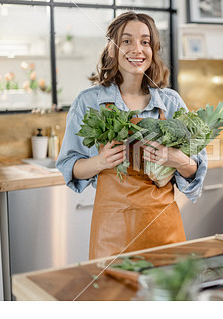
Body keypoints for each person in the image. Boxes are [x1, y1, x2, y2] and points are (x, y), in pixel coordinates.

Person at [57, 11, 207, 260]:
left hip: (164, 232)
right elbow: (68, 167)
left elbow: (194, 171)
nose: (137, 49)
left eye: (145, 41)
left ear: (153, 49)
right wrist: (100, 162)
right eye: (126, 41)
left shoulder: (170, 103)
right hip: (111, 235)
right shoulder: (89, 102)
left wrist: (177, 159)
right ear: (112, 49)